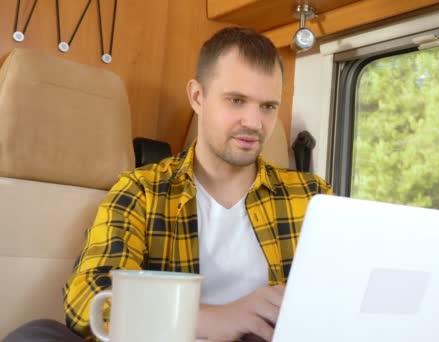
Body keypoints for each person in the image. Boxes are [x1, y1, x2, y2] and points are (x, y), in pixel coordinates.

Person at [4, 27, 331, 342]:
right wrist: (207, 319)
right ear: (198, 96)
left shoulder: (313, 197)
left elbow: (345, 300)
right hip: (165, 338)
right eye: (236, 100)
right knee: (36, 335)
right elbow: (90, 297)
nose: (254, 122)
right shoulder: (141, 191)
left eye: (267, 106)